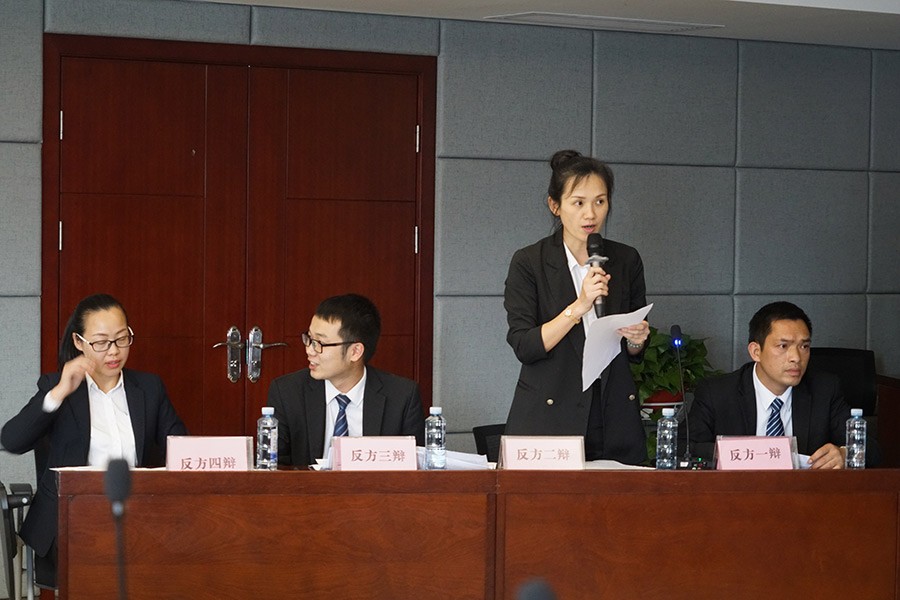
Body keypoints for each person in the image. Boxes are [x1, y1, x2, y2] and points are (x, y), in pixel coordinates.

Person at [1, 293, 187, 585]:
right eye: (101, 343)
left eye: (121, 339)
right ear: (79, 342)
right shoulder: (56, 386)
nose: (113, 351)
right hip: (70, 522)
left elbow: (182, 449)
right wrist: (59, 393)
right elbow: (12, 440)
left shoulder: (149, 388)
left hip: (136, 517)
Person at [504, 150, 650, 464]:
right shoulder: (529, 262)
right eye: (578, 203)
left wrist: (637, 339)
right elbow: (525, 345)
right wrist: (580, 306)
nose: (591, 214)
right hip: (550, 413)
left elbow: (635, 352)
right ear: (555, 206)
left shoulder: (626, 259)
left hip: (612, 413)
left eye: (600, 201)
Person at [688, 301, 880, 468]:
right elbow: (684, 447)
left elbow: (873, 450)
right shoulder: (717, 393)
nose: (796, 357)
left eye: (804, 346)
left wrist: (846, 454)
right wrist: (743, 453)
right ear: (756, 352)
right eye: (783, 346)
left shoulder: (824, 390)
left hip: (804, 494)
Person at [267, 293, 425, 467]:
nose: (309, 350)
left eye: (320, 343)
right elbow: (274, 467)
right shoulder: (287, 392)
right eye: (309, 339)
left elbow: (414, 469)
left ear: (355, 352)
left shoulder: (402, 397)